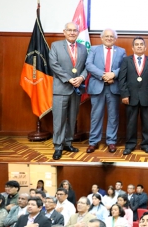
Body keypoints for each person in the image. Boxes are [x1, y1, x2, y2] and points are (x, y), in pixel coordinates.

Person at [48, 22, 88, 160]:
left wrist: (82, 77)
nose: (72, 33)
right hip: (61, 88)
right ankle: (58, 146)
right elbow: (54, 64)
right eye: (69, 30)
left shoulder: (83, 48)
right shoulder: (56, 45)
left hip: (76, 89)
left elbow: (87, 66)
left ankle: (68, 143)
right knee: (59, 119)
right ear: (64, 32)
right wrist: (68, 79)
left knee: (72, 118)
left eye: (74, 30)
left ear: (78, 32)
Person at [85, 28, 126, 154]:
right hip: (97, 85)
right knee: (96, 116)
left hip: (113, 86)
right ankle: (93, 142)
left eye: (111, 37)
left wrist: (113, 74)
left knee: (113, 116)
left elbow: (123, 67)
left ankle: (111, 141)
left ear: (115, 39)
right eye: (106, 36)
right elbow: (89, 64)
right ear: (101, 38)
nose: (109, 38)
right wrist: (104, 75)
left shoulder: (121, 51)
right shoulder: (93, 49)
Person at [119, 37, 148, 155]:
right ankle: (130, 145)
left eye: (141, 44)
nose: (139, 46)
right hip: (131, 97)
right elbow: (122, 79)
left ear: (145, 47)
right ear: (133, 47)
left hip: (147, 97)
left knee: (147, 123)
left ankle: (146, 144)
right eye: (137, 44)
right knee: (131, 122)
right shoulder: (126, 60)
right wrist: (124, 94)